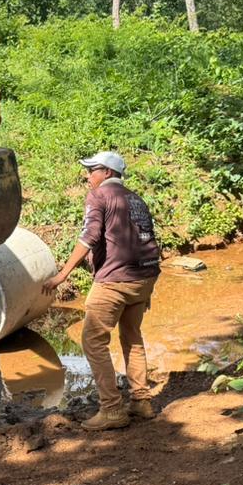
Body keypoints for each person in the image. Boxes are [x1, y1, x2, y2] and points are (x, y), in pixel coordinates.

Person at [43, 151, 161, 430]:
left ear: (107, 172)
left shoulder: (99, 196)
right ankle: (141, 402)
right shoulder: (136, 198)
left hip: (115, 280)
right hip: (144, 276)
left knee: (93, 341)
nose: (87, 175)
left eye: (92, 170)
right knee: (132, 337)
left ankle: (111, 410)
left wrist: (61, 275)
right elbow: (147, 238)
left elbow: (89, 236)